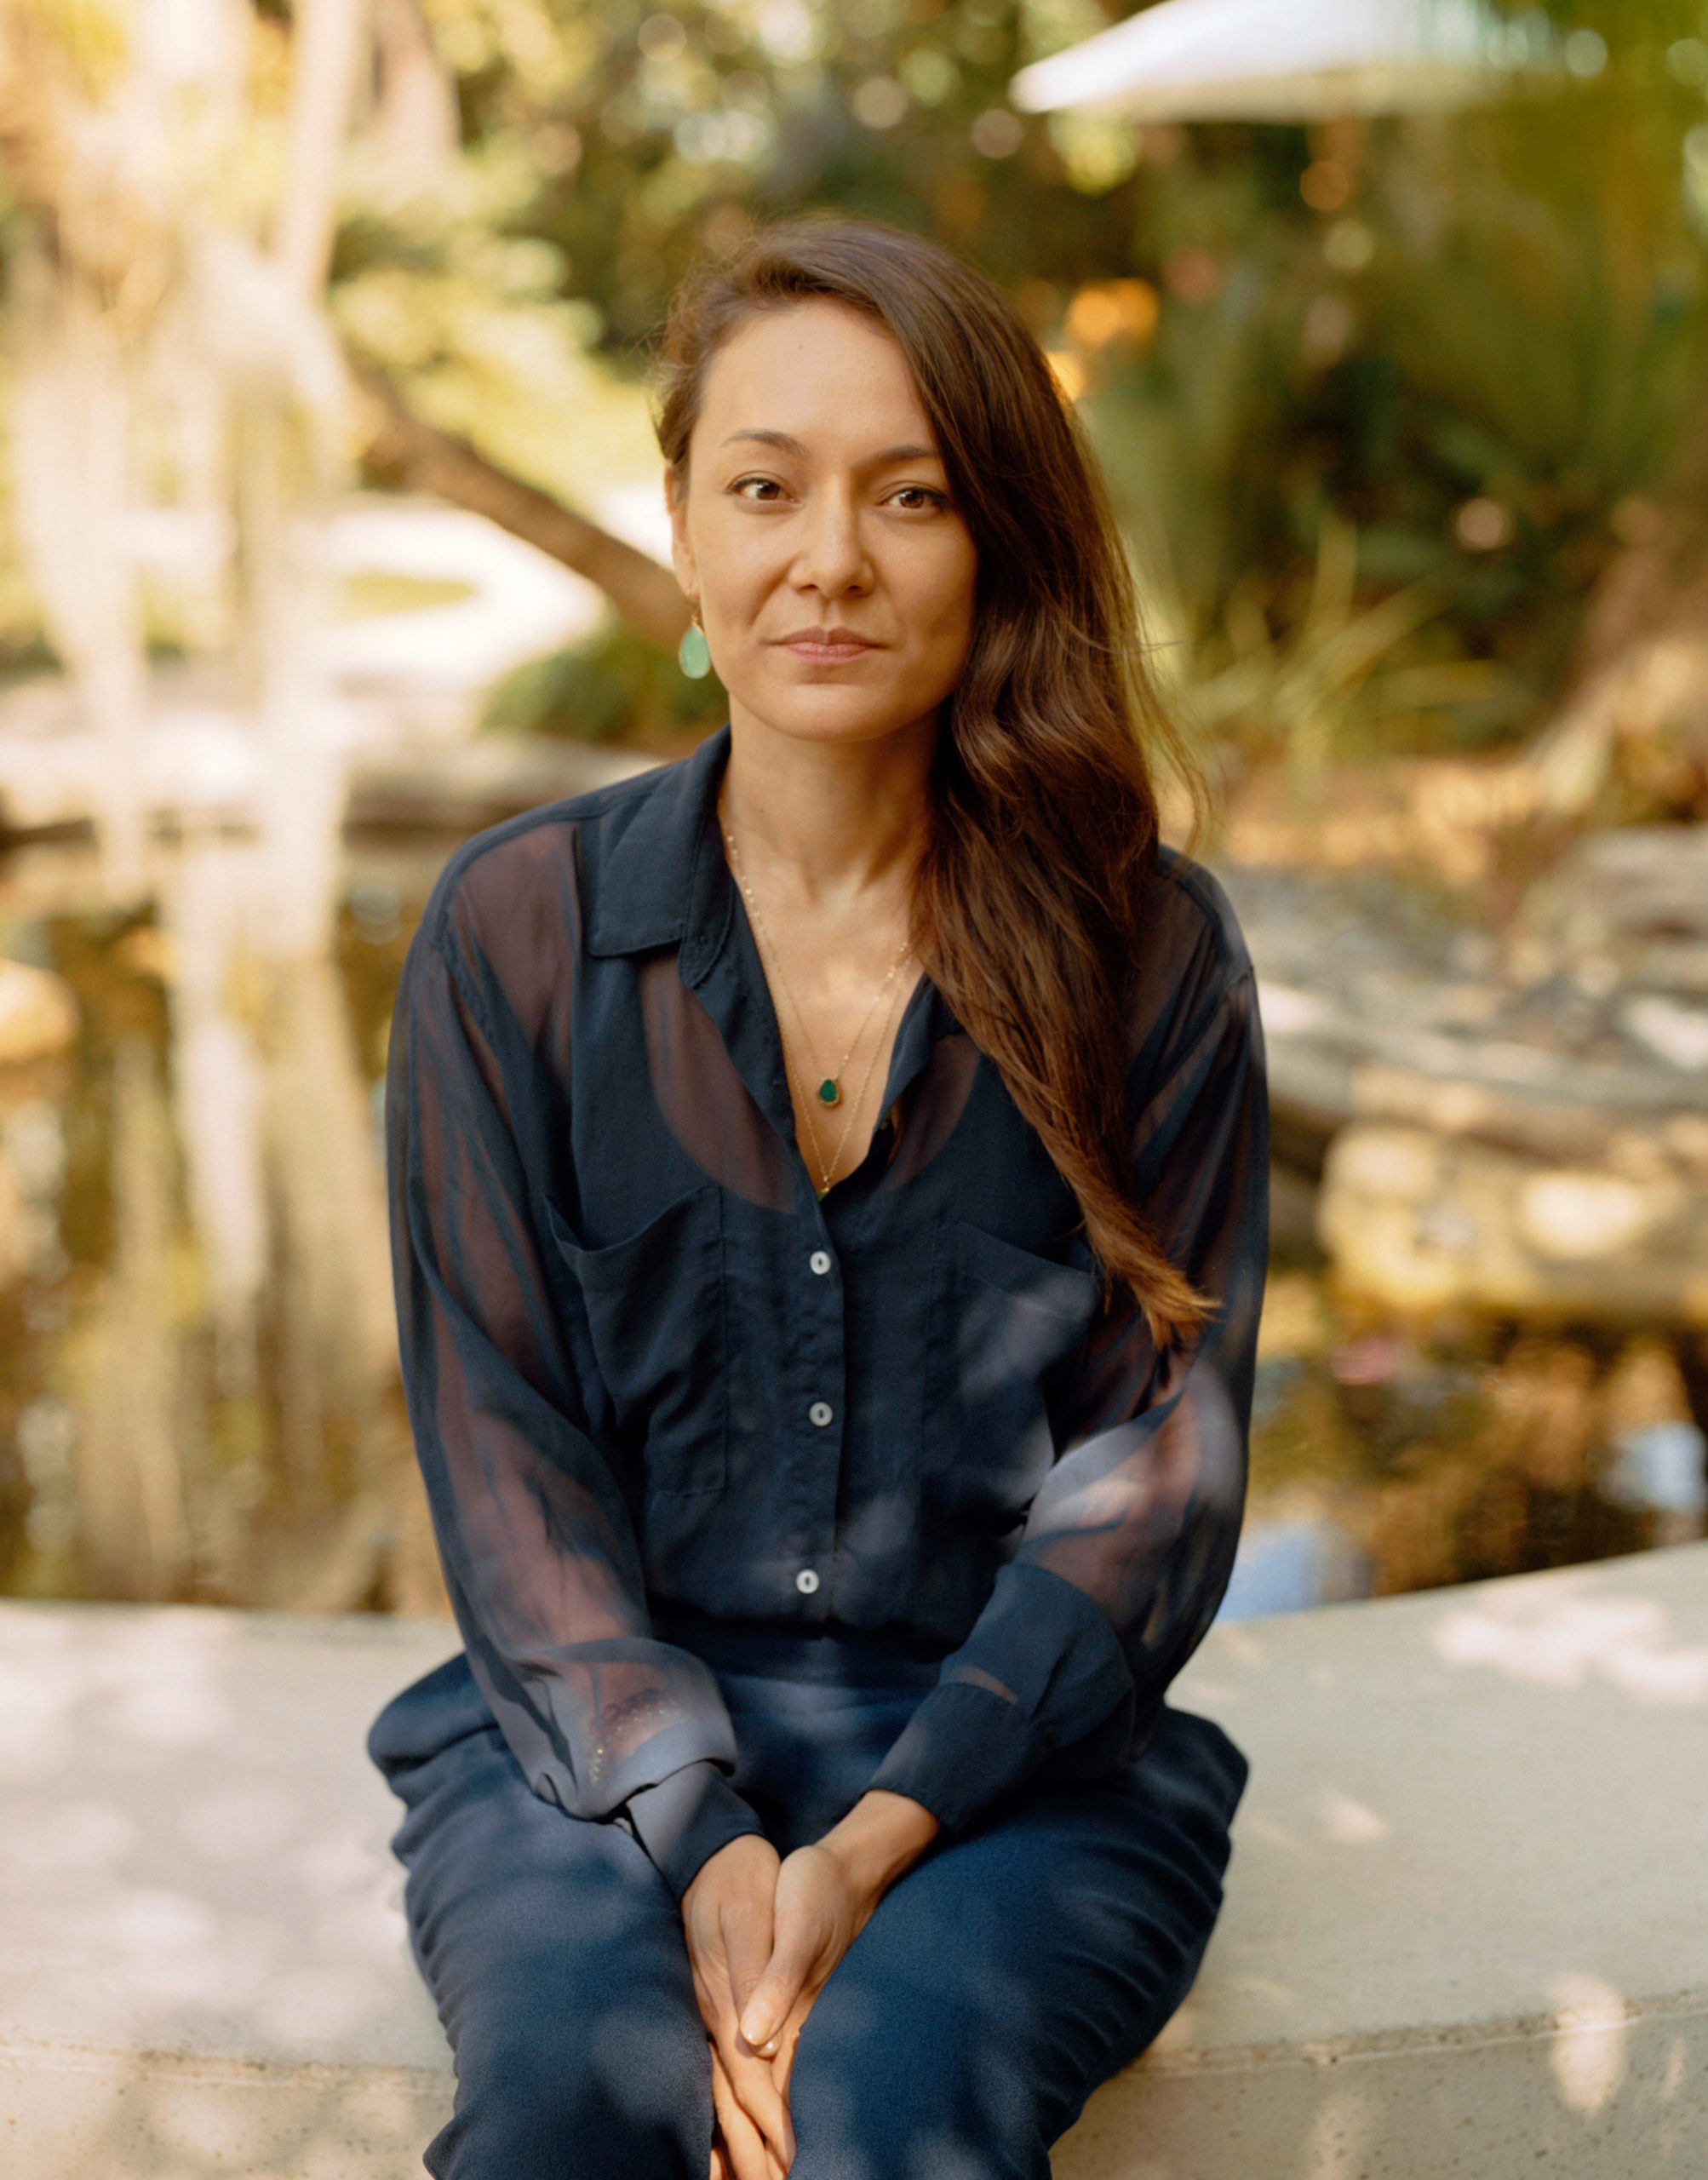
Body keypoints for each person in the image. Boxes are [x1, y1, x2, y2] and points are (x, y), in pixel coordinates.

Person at [369, 215, 1267, 2180]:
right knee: (560, 2109)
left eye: (911, 493)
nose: (829, 558)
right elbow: (502, 1458)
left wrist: (875, 1833)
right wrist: (701, 1831)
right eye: (764, 487)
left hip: (1020, 1751)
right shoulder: (514, 936)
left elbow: (1153, 1474)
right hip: (587, 1749)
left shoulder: (1148, 953)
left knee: (883, 2119)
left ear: (994, 545)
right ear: (687, 534)